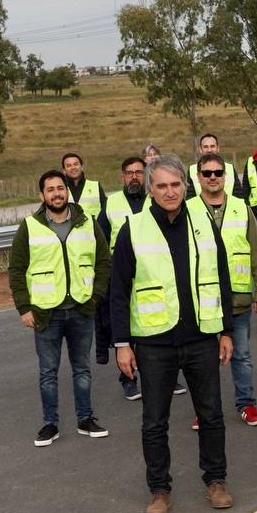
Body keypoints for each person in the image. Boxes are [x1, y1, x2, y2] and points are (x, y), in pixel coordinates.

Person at [110, 154, 236, 513]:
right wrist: (122, 345)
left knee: (211, 414)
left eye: (175, 184)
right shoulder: (132, 229)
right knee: (154, 421)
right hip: (153, 342)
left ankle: (216, 481)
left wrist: (225, 329)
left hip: (200, 336)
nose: (170, 191)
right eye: (161, 185)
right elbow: (118, 292)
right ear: (150, 188)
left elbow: (221, 276)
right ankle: (159, 490)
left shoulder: (202, 222)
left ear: (186, 185)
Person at [9, 170, 111, 446]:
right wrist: (23, 308)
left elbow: (103, 261)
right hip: (46, 313)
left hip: (81, 309)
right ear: (42, 196)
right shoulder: (30, 227)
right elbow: (16, 270)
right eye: (50, 189)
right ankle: (50, 424)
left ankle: (85, 419)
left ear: (67, 191)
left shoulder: (87, 222)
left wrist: (96, 296)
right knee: (48, 372)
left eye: (60, 188)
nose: (56, 193)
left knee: (82, 369)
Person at [187, 153, 257, 430]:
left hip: (238, 300)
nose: (213, 177)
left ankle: (246, 403)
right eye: (207, 173)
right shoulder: (188, 210)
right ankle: (205, 410)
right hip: (203, 302)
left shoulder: (240, 208)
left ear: (227, 176)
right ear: (198, 177)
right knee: (204, 360)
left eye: (218, 173)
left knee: (242, 355)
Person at [96, 156, 153, 400]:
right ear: (122, 177)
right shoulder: (111, 204)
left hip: (153, 272)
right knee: (125, 327)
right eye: (129, 173)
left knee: (155, 323)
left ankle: (164, 375)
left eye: (139, 172)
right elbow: (100, 241)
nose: (134, 177)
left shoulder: (156, 198)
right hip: (122, 274)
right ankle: (128, 379)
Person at [61, 153, 105, 220]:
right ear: (64, 170)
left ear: (81, 167)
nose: (73, 168)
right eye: (68, 165)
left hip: (93, 230)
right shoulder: (59, 190)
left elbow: (106, 212)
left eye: (76, 164)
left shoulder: (95, 186)